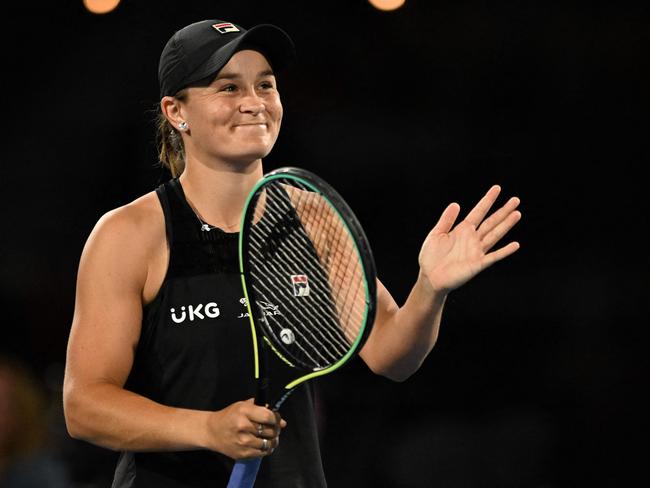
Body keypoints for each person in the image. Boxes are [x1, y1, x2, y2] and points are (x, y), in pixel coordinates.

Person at [62, 18, 522, 488]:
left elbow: (391, 355)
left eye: (266, 85)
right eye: (228, 87)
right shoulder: (129, 235)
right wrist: (206, 428)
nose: (254, 103)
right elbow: (84, 407)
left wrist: (430, 290)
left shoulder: (312, 217)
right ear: (176, 111)